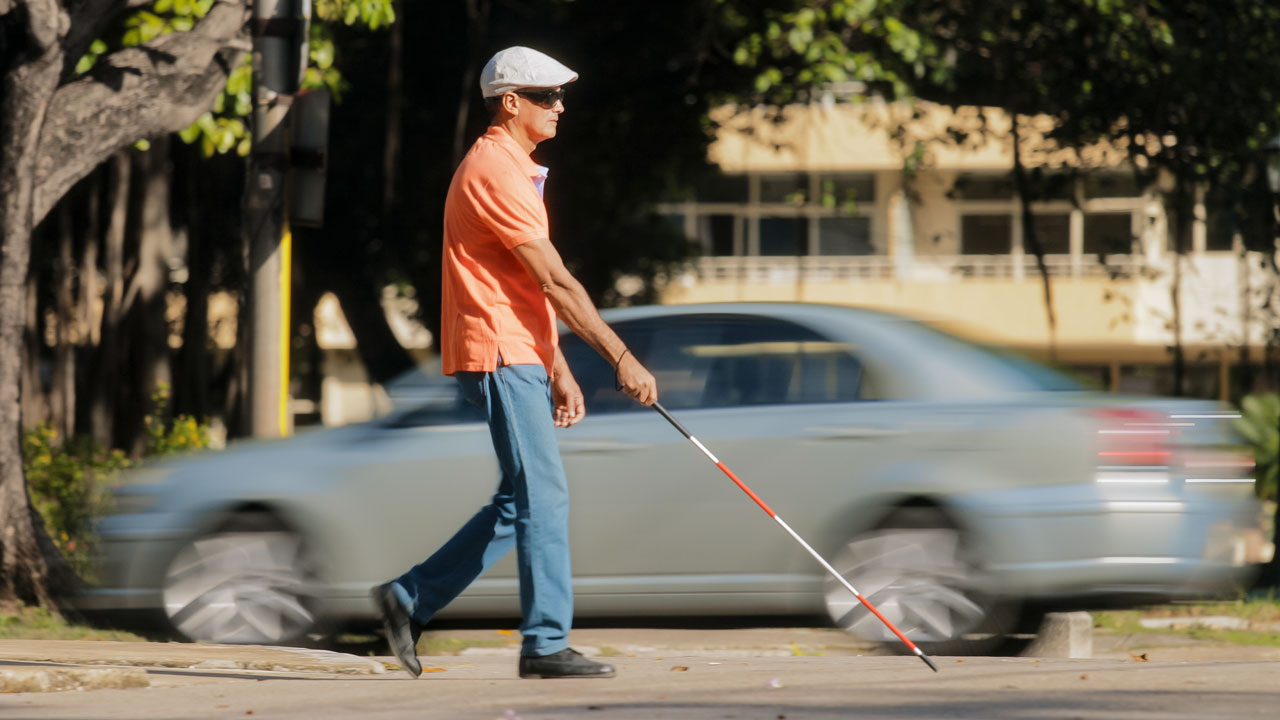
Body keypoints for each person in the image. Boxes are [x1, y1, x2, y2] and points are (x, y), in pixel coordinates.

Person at [372, 46, 659, 680]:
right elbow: (554, 281)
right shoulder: (495, 172)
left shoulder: (515, 168)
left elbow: (523, 286)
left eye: (560, 96)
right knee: (546, 496)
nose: (560, 107)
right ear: (510, 102)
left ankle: (407, 598)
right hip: (499, 353)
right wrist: (621, 356)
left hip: (519, 351)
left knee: (521, 498)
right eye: (547, 96)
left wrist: (556, 363)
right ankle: (546, 644)